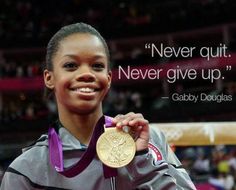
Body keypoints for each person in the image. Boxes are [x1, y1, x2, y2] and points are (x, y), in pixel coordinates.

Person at [0, 23, 196, 190]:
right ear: (49, 78)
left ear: (108, 78)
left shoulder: (150, 141)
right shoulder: (26, 170)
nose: (87, 74)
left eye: (97, 66)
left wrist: (142, 161)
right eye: (70, 65)